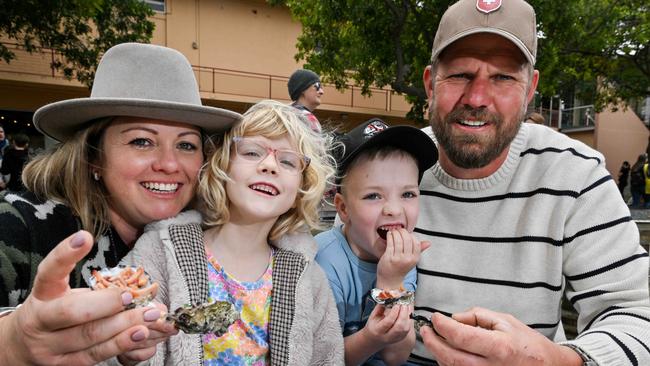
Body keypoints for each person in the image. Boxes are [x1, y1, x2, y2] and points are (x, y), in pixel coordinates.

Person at [413, 0, 650, 365]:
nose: (477, 99)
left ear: (529, 90)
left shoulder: (577, 174)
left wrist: (559, 361)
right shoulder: (388, 164)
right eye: (460, 74)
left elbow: (637, 315)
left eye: (503, 77)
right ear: (431, 84)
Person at [0, 42, 242, 365]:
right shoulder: (18, 223)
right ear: (93, 157)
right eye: (142, 141)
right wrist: (13, 344)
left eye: (186, 144)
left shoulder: (214, 240)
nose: (169, 164)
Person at [120, 99, 343, 365]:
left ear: (301, 190)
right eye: (251, 153)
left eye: (287, 161)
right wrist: (128, 350)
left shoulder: (310, 278)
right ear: (222, 165)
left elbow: (327, 357)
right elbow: (117, 342)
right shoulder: (161, 250)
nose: (269, 166)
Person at [315, 118, 437, 365]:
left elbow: (397, 356)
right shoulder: (324, 261)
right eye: (373, 196)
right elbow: (322, 358)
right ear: (343, 208)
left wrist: (392, 283)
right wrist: (371, 338)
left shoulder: (402, 262)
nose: (393, 209)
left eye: (407, 194)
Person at [288, 68, 324, 133]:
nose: (321, 92)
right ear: (303, 89)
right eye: (317, 86)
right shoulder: (307, 117)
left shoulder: (285, 114)